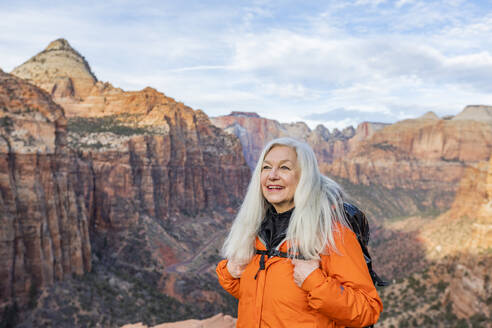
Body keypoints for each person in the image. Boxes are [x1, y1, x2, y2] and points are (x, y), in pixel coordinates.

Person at [216, 137, 383, 327]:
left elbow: (367, 310)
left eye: (285, 168)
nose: (272, 175)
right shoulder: (253, 231)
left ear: (304, 176)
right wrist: (229, 273)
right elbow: (265, 297)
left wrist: (314, 282)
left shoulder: (331, 234)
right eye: (266, 167)